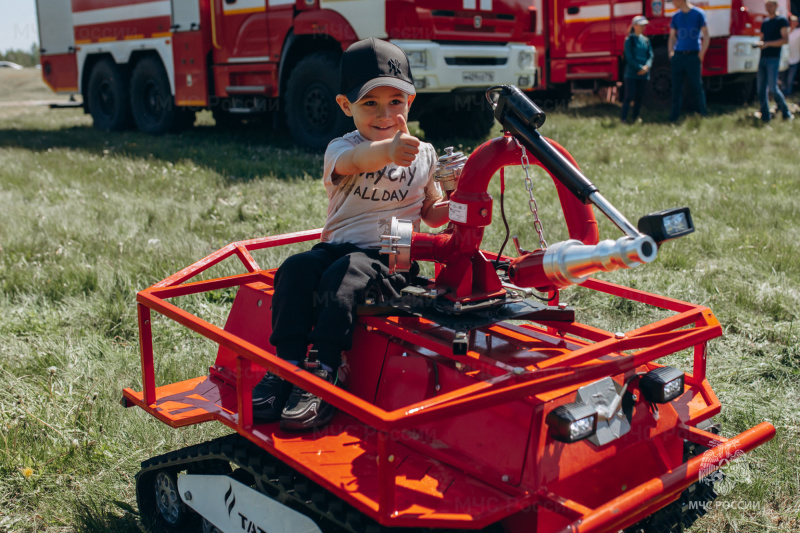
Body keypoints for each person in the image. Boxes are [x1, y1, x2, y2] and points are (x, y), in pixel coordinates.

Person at [251, 38, 449, 431]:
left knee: (345, 275)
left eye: (396, 102)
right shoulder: (341, 148)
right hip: (339, 246)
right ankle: (286, 365)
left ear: (410, 103)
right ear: (346, 106)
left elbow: (432, 214)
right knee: (296, 269)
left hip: (393, 254)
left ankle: (325, 370)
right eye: (370, 103)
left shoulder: (424, 154)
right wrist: (389, 151)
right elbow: (358, 161)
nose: (385, 113)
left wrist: (460, 201)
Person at [667, 0, 710, 121]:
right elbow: (672, 37)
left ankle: (703, 113)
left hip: (693, 55)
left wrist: (701, 53)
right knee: (676, 88)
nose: (673, 3)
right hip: (679, 56)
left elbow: (706, 35)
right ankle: (674, 117)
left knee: (697, 86)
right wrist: (671, 53)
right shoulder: (676, 16)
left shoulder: (698, 14)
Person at [757, 0, 793, 121]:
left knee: (773, 89)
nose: (768, 8)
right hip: (762, 58)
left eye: (770, 5)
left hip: (773, 58)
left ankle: (786, 113)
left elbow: (785, 40)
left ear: (776, 6)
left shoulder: (781, 20)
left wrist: (768, 44)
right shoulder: (765, 22)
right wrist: (760, 44)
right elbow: (762, 38)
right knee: (761, 90)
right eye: (766, 6)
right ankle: (765, 117)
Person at [621, 16, 655, 123]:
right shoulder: (629, 40)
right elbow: (629, 57)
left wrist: (646, 67)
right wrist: (639, 68)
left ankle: (635, 117)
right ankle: (624, 118)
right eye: (641, 25)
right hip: (631, 74)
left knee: (639, 97)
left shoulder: (646, 40)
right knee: (629, 96)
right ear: (635, 26)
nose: (643, 27)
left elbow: (650, 55)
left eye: (644, 25)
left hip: (643, 74)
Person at [780, 15, 799, 98]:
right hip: (784, 59)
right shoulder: (786, 31)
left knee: (789, 80)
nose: (793, 23)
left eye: (795, 21)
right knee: (783, 79)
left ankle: (787, 95)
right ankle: (783, 96)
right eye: (791, 21)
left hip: (795, 59)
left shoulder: (798, 31)